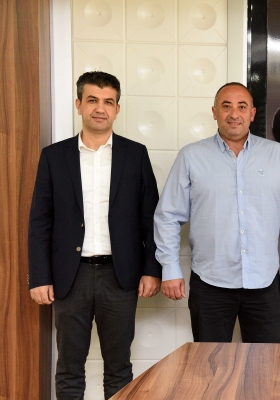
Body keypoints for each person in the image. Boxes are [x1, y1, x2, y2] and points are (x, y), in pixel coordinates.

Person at [28, 71, 162, 399]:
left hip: (120, 277)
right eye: (92, 100)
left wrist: (152, 269)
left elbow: (151, 218)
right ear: (78, 105)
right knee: (69, 368)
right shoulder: (54, 157)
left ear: (117, 109)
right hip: (69, 277)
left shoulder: (135, 154)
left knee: (119, 368)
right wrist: (39, 277)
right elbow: (40, 221)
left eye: (108, 102)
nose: (100, 108)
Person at [154, 82, 280, 343]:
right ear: (214, 112)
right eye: (226, 106)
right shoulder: (191, 156)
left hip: (263, 283)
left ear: (252, 113)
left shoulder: (278, 155)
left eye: (242, 107)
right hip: (210, 284)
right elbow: (168, 216)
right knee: (210, 363)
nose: (234, 114)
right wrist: (170, 268)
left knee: (263, 363)